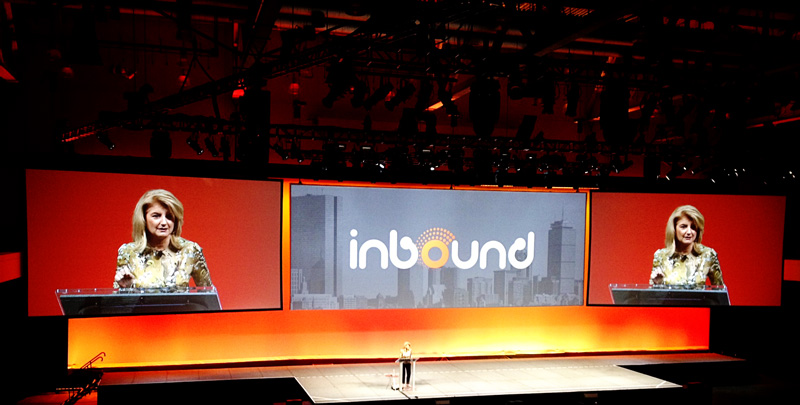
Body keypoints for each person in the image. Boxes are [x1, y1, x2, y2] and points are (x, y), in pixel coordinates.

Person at [114, 189, 213, 289]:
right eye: (156, 216)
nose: (164, 222)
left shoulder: (190, 250)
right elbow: (116, 297)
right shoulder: (128, 252)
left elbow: (208, 294)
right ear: (143, 219)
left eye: (169, 217)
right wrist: (126, 288)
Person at [650, 205, 723, 288]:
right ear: (674, 229)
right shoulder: (661, 256)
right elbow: (651, 294)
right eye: (683, 227)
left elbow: (720, 291)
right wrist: (658, 284)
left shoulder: (708, 255)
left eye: (693, 227)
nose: (689, 232)